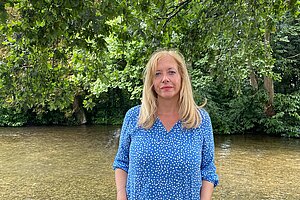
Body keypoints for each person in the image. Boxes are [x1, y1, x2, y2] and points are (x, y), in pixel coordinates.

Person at [113, 49, 219, 200]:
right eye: (157, 74)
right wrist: (121, 195)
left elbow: (208, 169)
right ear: (151, 81)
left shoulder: (199, 120)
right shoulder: (134, 117)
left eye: (171, 72)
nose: (165, 79)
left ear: (182, 76)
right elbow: (122, 162)